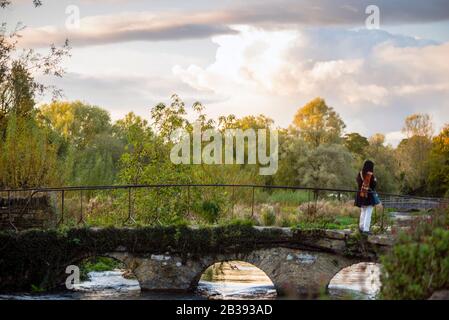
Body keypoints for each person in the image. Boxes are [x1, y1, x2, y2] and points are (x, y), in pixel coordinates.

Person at [355, 160, 377, 234]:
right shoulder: (370, 175)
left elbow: (358, 182)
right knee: (368, 211)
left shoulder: (360, 173)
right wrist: (375, 180)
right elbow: (373, 185)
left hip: (360, 195)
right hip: (368, 195)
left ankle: (361, 227)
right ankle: (366, 229)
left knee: (363, 211)